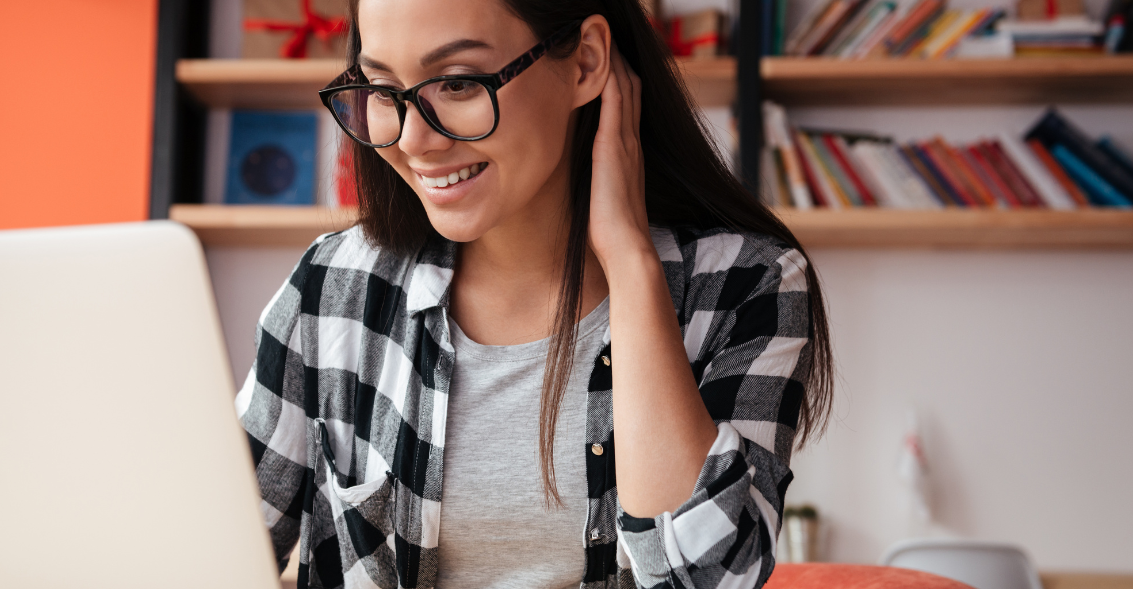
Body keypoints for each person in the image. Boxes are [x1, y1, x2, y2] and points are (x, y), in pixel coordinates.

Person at [235, 0, 834, 587]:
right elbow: (211, 545)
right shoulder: (334, 284)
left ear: (585, 61)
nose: (415, 141)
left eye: (459, 84)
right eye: (383, 89)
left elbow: (706, 580)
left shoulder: (746, 285)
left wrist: (630, 266)